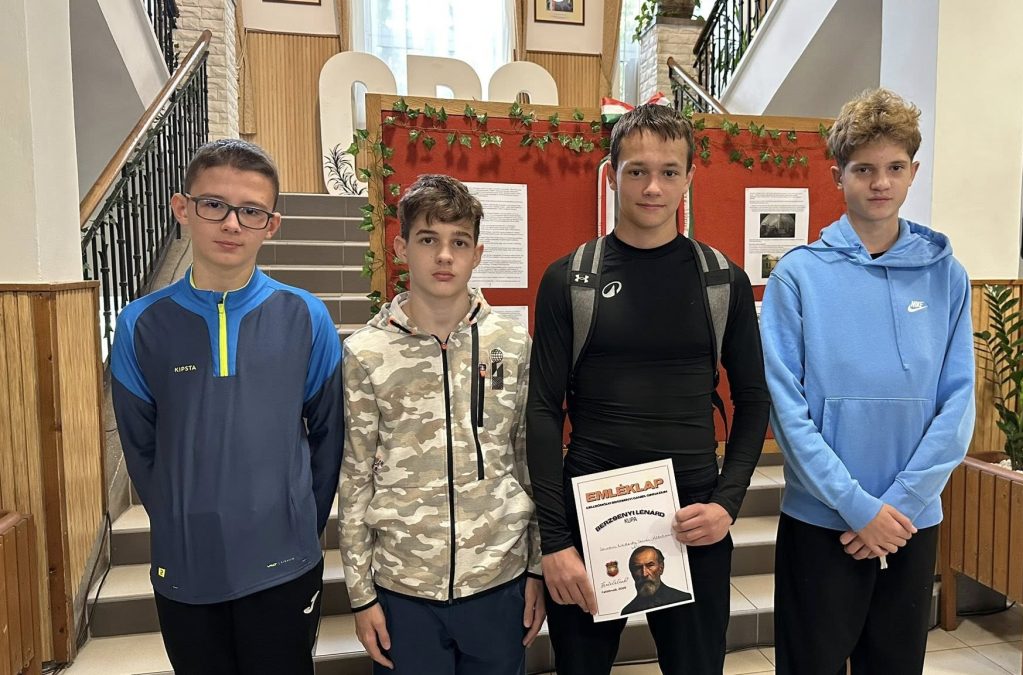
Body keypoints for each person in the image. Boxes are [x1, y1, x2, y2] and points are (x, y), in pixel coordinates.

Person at [526, 103, 770, 675]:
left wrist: (727, 505)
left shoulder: (722, 280)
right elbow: (542, 410)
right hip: (591, 516)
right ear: (612, 176)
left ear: (689, 178)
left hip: (693, 517)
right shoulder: (570, 279)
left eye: (668, 172)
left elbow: (755, 398)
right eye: (636, 171)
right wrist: (555, 541)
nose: (652, 187)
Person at [760, 88, 976, 674]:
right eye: (863, 169)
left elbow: (958, 403)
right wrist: (857, 507)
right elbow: (787, 410)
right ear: (838, 176)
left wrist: (898, 506)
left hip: (909, 522)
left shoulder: (947, 276)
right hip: (821, 521)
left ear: (913, 173)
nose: (880, 182)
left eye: (894, 168)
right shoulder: (798, 277)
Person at [110, 139, 344, 674]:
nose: (232, 223)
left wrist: (297, 524)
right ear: (182, 208)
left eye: (251, 211)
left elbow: (329, 440)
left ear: (271, 225)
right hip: (187, 565)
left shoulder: (307, 317)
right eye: (214, 204)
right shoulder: (140, 324)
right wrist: (180, 522)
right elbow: (141, 450)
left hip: (285, 564)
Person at [338, 174, 545, 674]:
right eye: (428, 239)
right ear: (401, 247)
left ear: (477, 254)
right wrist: (361, 595)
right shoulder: (367, 352)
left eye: (460, 242)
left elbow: (529, 460)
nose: (445, 256)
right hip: (403, 589)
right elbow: (355, 477)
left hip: (498, 580)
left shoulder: (512, 344)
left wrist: (537, 567)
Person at [620, 546, 692, 616]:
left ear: (661, 568)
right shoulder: (627, 611)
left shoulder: (683, 598)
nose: (644, 574)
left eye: (650, 565)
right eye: (637, 568)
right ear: (632, 572)